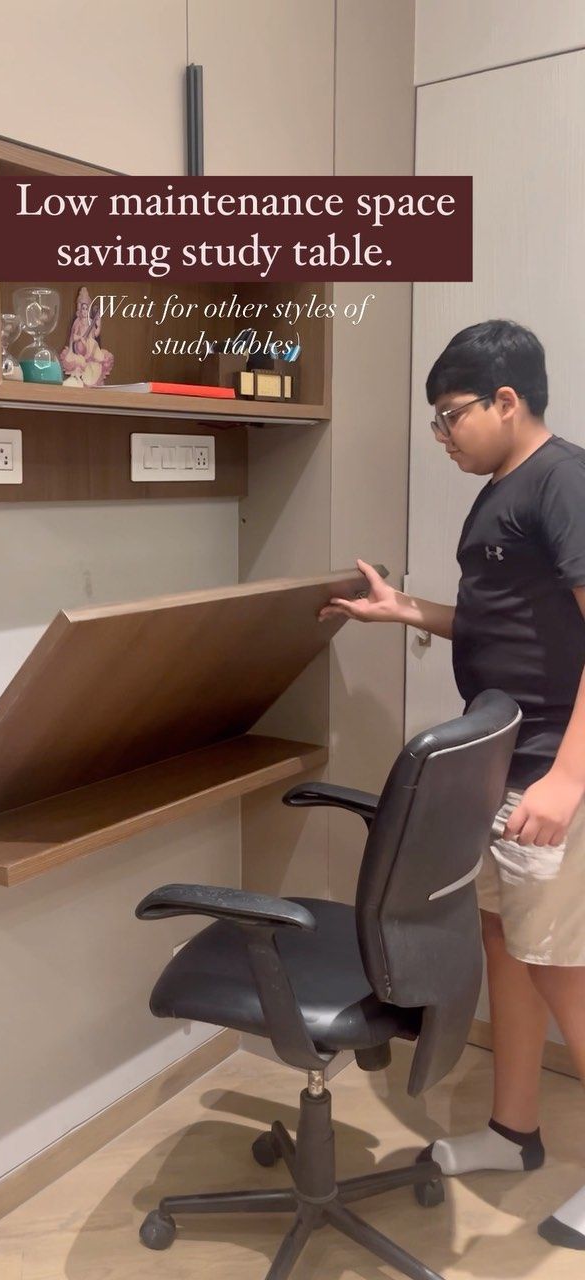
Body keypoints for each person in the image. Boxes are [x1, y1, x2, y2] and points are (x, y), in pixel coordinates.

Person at [320, 319, 585, 1251]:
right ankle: (515, 1131)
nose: (444, 438)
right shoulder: (502, 491)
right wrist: (405, 612)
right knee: (503, 955)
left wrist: (566, 778)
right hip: (502, 769)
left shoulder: (564, 480)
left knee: (563, 973)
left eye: (452, 417)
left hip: (551, 772)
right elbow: (500, 621)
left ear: (507, 401)